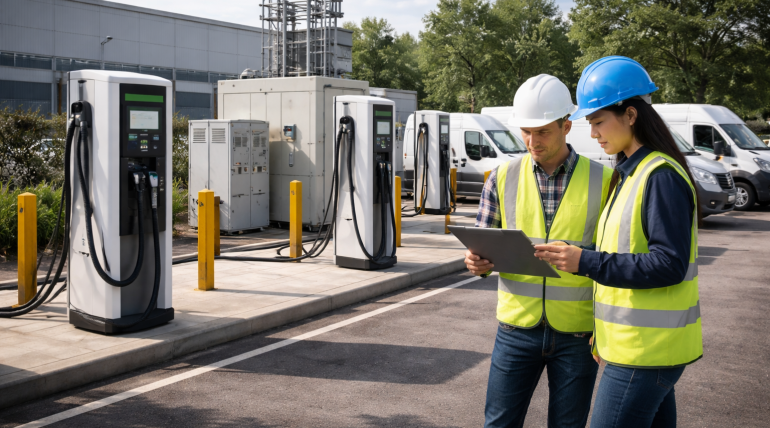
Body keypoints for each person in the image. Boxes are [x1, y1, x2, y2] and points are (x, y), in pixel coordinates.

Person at [534, 56, 703, 428]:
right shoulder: (631, 173)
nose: (592, 134)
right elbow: (629, 253)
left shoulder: (658, 175)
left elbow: (669, 265)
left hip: (646, 353)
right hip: (636, 347)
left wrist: (586, 262)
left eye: (597, 122)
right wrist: (579, 256)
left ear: (630, 115)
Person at [464, 74, 612, 428]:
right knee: (499, 424)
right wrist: (476, 262)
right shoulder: (501, 178)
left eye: (543, 131)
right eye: (526, 131)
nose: (532, 141)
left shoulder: (605, 180)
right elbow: (482, 249)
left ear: (567, 125)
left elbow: (612, 261)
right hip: (516, 328)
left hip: (578, 333)